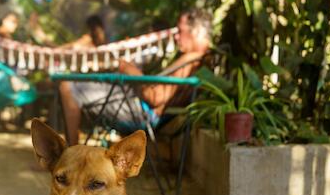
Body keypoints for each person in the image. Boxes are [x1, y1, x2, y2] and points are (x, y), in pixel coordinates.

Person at [58, 8, 213, 145]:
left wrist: (126, 67)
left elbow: (155, 97)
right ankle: (73, 153)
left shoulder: (192, 60)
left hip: (142, 114)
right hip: (136, 107)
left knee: (68, 86)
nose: (176, 37)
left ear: (196, 32)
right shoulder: (201, 60)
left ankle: (72, 155)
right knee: (73, 84)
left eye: (180, 31)